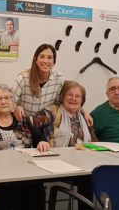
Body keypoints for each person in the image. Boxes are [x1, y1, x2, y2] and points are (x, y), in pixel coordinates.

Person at [0, 44, 93, 125]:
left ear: (54, 62)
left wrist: (82, 111)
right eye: (42, 57)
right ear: (35, 60)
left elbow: (64, 101)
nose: (45, 61)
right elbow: (9, 100)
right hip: (24, 123)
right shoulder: (23, 78)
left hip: (46, 123)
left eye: (50, 58)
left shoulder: (58, 78)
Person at [0, 83, 49, 210]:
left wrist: (42, 142)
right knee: (11, 187)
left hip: (25, 167)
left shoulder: (21, 119)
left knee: (36, 186)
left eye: (8, 97)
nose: (4, 101)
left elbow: (38, 136)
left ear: (13, 101)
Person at [30, 80, 97, 210]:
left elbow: (94, 140)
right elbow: (31, 123)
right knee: (87, 180)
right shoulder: (52, 111)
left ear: (82, 100)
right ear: (62, 96)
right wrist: (41, 140)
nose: (73, 99)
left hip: (81, 163)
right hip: (55, 163)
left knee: (94, 175)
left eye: (78, 96)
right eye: (69, 95)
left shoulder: (83, 117)